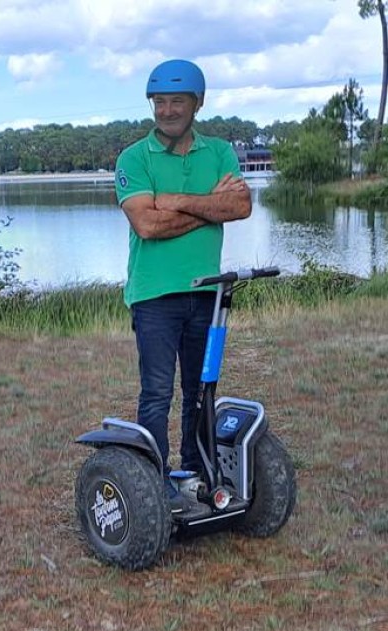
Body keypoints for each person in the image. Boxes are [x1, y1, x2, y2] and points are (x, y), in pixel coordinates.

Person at [113, 59, 252, 513]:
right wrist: (209, 206)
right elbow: (147, 226)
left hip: (207, 292)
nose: (167, 110)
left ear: (198, 103)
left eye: (177, 101)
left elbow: (241, 206)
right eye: (160, 102)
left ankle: (194, 473)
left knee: (200, 389)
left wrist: (174, 201)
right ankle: (151, 481)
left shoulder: (219, 152)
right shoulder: (134, 159)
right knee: (157, 392)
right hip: (154, 294)